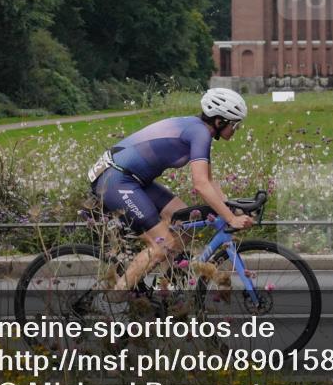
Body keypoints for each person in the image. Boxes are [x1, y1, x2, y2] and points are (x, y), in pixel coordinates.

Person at [87, 88, 254, 296]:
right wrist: (230, 218)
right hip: (116, 179)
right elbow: (201, 185)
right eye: (235, 124)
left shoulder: (200, 130)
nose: (237, 129)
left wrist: (231, 209)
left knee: (187, 222)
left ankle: (164, 289)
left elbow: (210, 181)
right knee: (162, 244)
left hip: (134, 179)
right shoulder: (200, 133)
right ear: (220, 121)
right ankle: (112, 300)